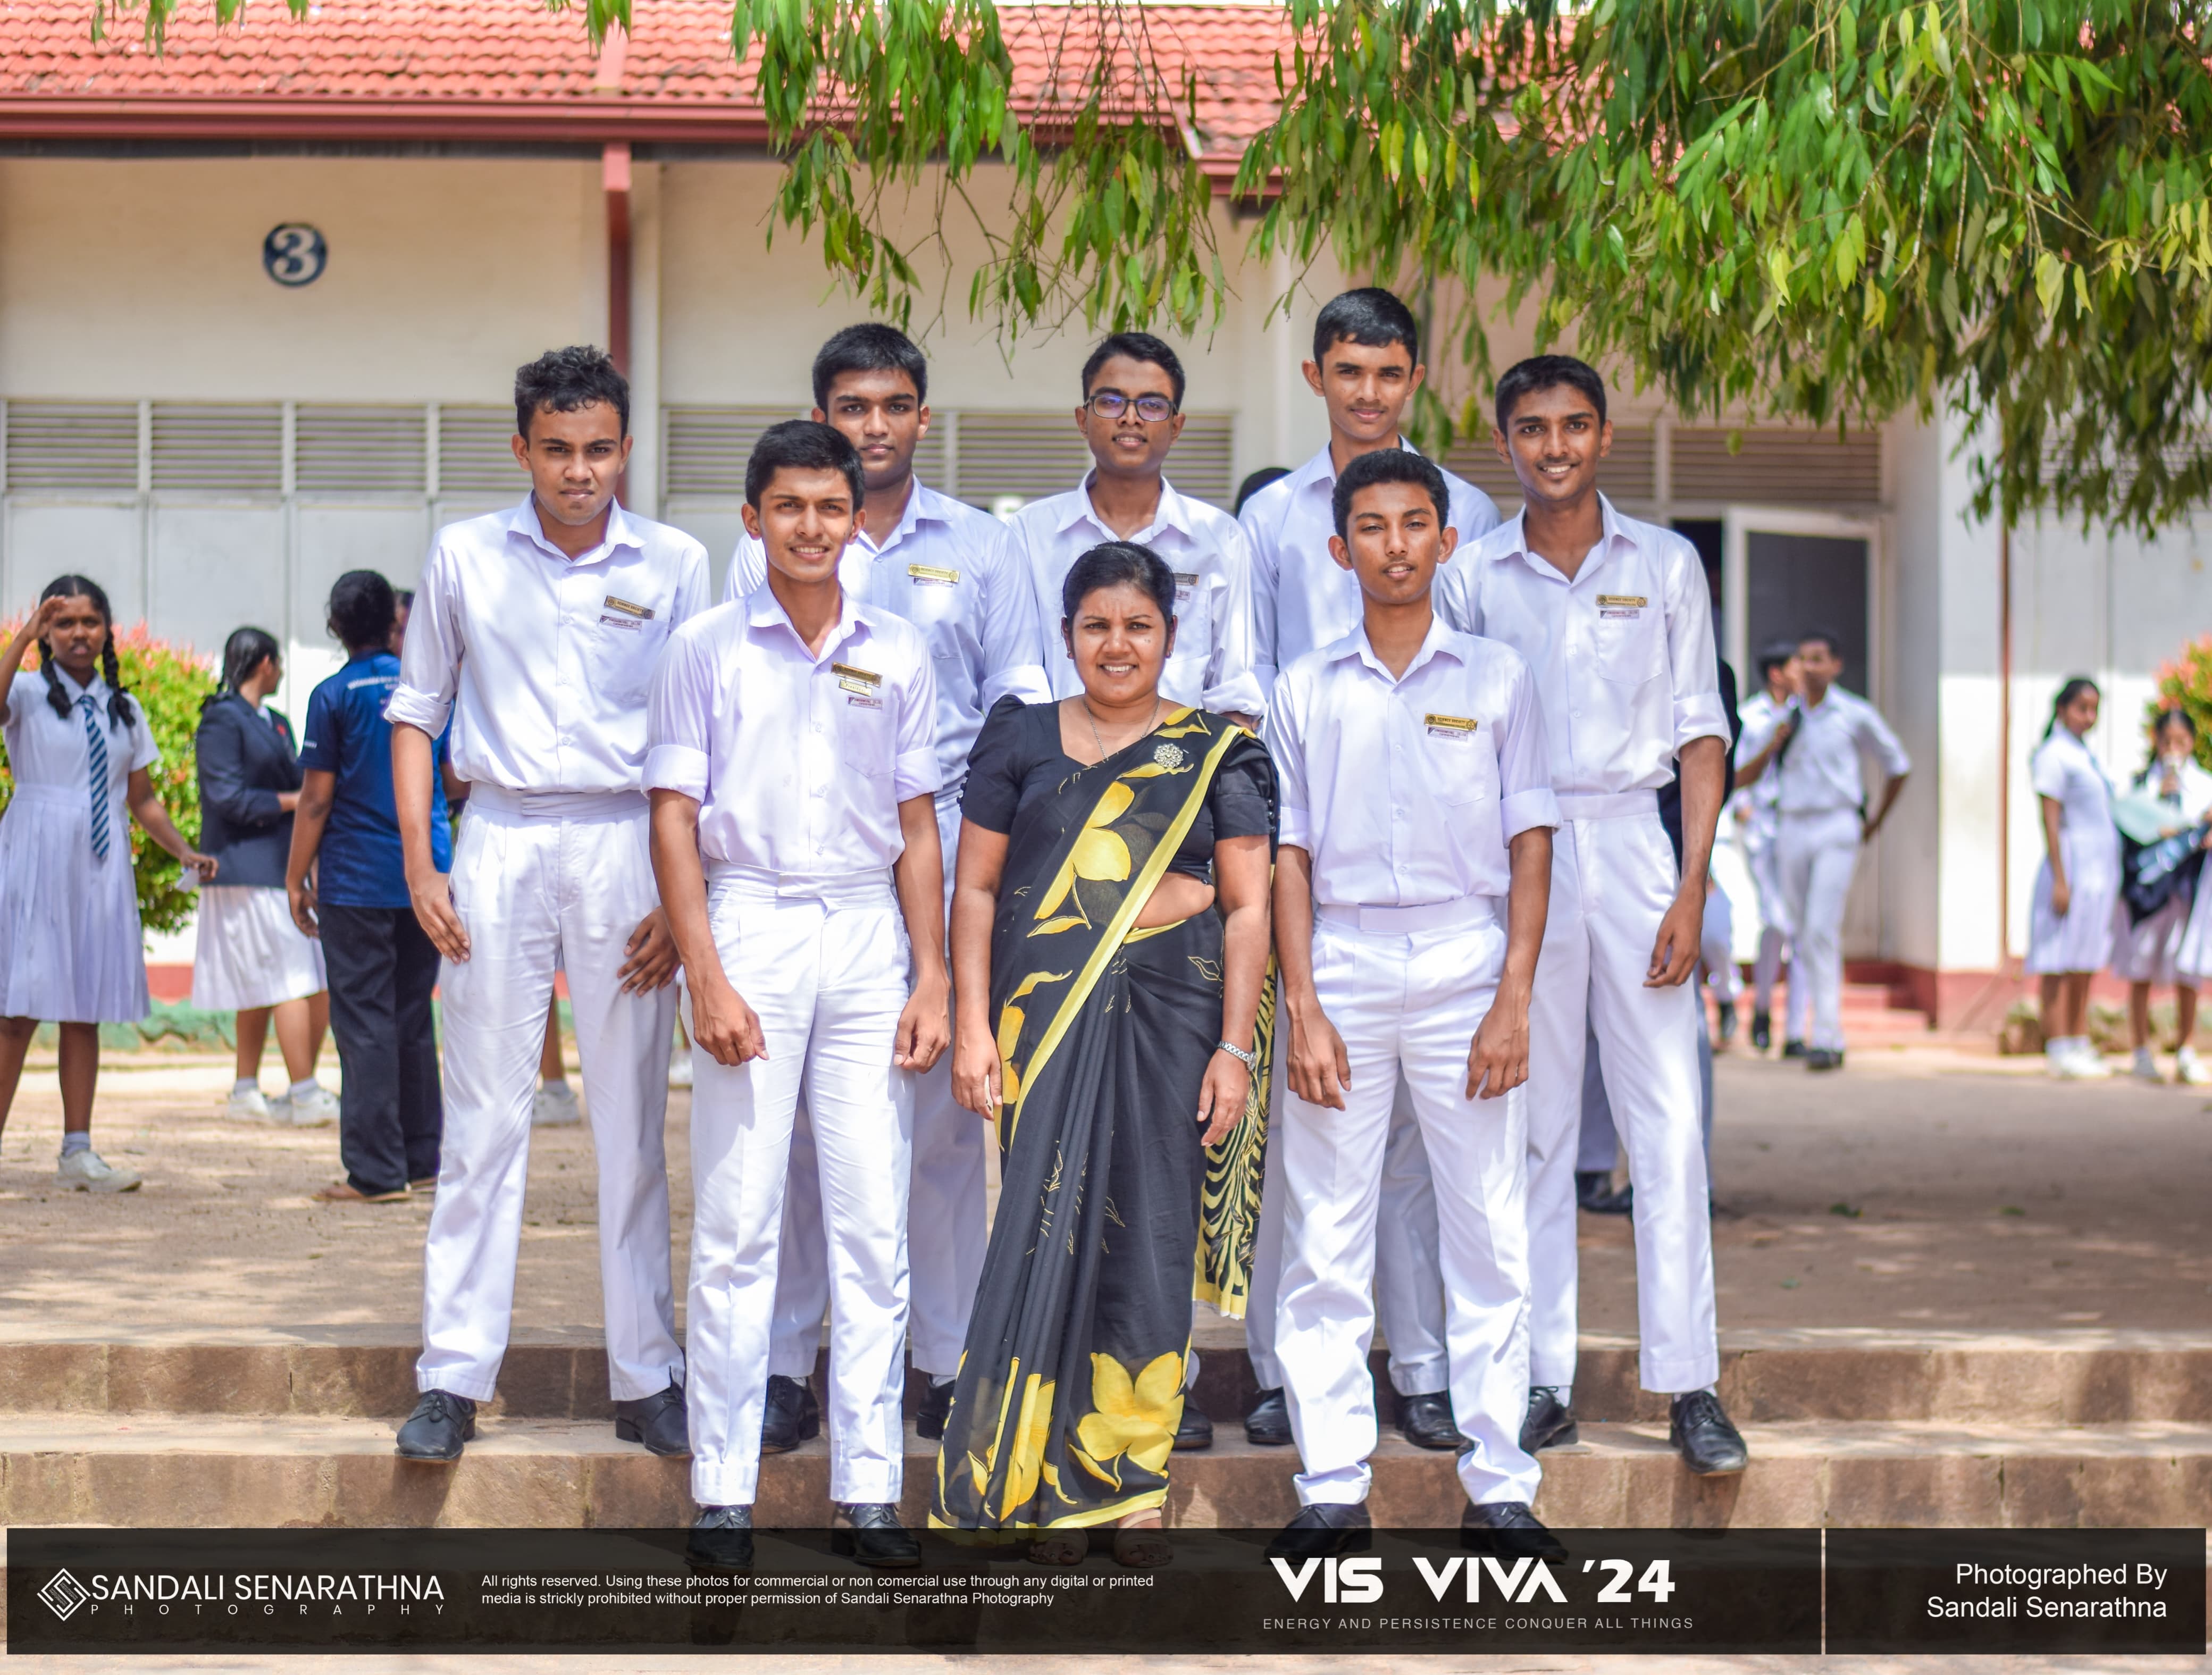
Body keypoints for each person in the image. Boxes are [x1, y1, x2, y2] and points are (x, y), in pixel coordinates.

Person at [722, 324, 1049, 1457]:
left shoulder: (985, 544)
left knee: (952, 1121)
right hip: (810, 857)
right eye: (852, 405)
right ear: (823, 411)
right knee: (806, 1130)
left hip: (951, 845)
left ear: (922, 415)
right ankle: (784, 1364)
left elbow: (1019, 688)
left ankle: (944, 1360)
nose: (873, 425)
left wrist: (993, 839)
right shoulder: (778, 537)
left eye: (894, 404)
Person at [387, 346, 706, 1464]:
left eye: (600, 449)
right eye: (558, 450)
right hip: (502, 840)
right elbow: (416, 712)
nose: (580, 472)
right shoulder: (465, 554)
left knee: (628, 1125)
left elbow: (696, 737)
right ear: (520, 447)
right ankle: (453, 1376)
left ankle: (647, 1375)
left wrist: (686, 890)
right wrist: (427, 868)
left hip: (629, 841)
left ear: (627, 448)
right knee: (482, 1124)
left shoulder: (676, 561)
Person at [931, 540, 1273, 1565]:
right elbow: (979, 890)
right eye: (1096, 626)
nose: (1117, 646)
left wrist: (1236, 1053)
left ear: (1171, 635)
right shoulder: (1019, 739)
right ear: (1067, 633)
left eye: (1138, 626)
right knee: (1044, 1229)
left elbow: (1251, 903)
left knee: (1150, 1242)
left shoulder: (1218, 751)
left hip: (1175, 1027)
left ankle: (1130, 1486)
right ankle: (1027, 1477)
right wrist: (971, 1027)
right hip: (1045, 1026)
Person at [1437, 354, 1746, 1476]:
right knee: (1529, 1130)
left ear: (1603, 437)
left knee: (1664, 1123)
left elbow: (1701, 732)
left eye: (1573, 427)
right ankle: (1537, 1379)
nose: (1553, 447)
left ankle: (1690, 1385)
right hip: (1515, 855)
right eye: (1531, 429)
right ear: (1504, 440)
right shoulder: (1471, 576)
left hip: (1632, 844)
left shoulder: (1662, 563)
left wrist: (1691, 883)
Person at [650, 420, 950, 1570]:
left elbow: (920, 826)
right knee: (736, 1220)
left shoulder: (901, 651)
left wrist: (930, 975)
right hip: (754, 923)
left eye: (832, 508)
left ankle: (868, 1492)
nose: (813, 528)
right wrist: (705, 973)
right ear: (752, 519)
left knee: (873, 1223)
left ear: (856, 518)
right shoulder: (707, 648)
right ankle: (722, 1493)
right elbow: (674, 819)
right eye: (789, 508)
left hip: (868, 932)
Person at [1262, 448, 1556, 1559]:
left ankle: (1499, 1484)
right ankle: (1331, 1485)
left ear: (1445, 540)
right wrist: (1303, 1009)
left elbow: (1531, 841)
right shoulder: (1304, 688)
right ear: (1340, 550)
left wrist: (1512, 995)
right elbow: (1287, 856)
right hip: (1339, 962)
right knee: (1325, 1237)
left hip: (1461, 966)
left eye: (1415, 523)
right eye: (1372, 527)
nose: (1395, 543)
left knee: (1485, 1228)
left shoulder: (1496, 678)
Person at [1233, 286, 1503, 1453]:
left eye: (1390, 373)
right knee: (1307, 1138)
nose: (1369, 392)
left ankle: (1430, 1366)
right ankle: (1280, 1379)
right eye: (1349, 371)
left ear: (1414, 381)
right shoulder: (1267, 514)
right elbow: (1246, 676)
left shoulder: (1472, 510)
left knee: (1422, 1161)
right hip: (1310, 847)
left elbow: (1478, 673)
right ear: (1316, 379)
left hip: (1438, 851)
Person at [0, 577, 217, 1190]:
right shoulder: (25, 693)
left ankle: (78, 1152)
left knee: (85, 1007)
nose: (77, 634)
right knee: (16, 1011)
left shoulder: (125, 709)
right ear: (47, 630)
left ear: (106, 630)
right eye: (62, 622)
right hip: (38, 851)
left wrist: (184, 849)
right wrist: (22, 635)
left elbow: (141, 799)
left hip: (98, 864)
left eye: (89, 621)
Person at [287, 570, 450, 1202]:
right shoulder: (428, 691)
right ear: (393, 623)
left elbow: (316, 799)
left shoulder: (332, 695)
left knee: (364, 1024)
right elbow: (454, 774)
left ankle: (375, 1173)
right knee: (413, 1018)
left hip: (356, 880)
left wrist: (295, 874)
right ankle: (421, 1162)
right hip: (425, 875)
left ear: (334, 626)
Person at [1008, 332, 1264, 725]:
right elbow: (1020, 679)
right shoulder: (1029, 534)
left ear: (1176, 426)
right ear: (1083, 419)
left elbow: (1233, 689)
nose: (1131, 417)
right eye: (1110, 402)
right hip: (1059, 771)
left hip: (1183, 774)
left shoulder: (1218, 538)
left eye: (1152, 405)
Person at [1737, 632, 1909, 1070]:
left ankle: (1829, 1035)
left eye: (1818, 660)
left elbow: (1897, 765)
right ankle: (1798, 1030)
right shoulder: (1786, 720)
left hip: (1837, 824)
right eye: (1803, 659)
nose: (1809, 668)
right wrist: (1774, 743)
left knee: (1820, 928)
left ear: (1835, 666)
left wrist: (1875, 822)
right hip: (1792, 824)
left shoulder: (1854, 714)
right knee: (1799, 931)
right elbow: (1744, 777)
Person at [194, 626, 334, 1125]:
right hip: (245, 868)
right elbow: (226, 798)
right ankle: (303, 1091)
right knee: (290, 978)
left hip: (281, 865)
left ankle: (246, 1090)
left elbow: (302, 781)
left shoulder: (274, 722)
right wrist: (296, 802)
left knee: (275, 979)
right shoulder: (221, 719)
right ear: (265, 664)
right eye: (278, 664)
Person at [2025, 677, 2118, 1079]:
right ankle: (2058, 1043)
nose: (2089, 717)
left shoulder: (2086, 756)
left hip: (2098, 872)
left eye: (2095, 709)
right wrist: (2061, 878)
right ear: (2061, 709)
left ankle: (2078, 1039)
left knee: (2084, 956)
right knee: (2058, 957)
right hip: (2071, 867)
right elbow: (2050, 819)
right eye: (2081, 707)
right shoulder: (2053, 755)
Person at [2115, 709, 2212, 1084]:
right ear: (2155, 742)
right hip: (2150, 894)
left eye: (2182, 742)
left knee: (2187, 969)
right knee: (2142, 967)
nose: (2174, 750)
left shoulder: (2205, 786)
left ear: (2192, 743)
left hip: (2189, 892)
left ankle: (2186, 1049)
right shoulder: (2140, 786)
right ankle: (2141, 1049)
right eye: (2167, 741)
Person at [1731, 642, 1801, 1051]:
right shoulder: (1750, 717)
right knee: (1775, 919)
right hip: (1760, 824)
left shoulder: (1803, 715)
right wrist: (1741, 807)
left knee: (1797, 927)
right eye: (1795, 666)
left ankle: (1780, 1018)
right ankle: (1762, 1006)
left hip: (1797, 822)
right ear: (1776, 673)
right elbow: (1735, 767)